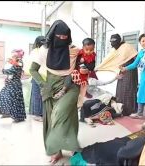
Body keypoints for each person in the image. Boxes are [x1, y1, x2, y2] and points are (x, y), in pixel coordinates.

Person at [29, 20, 81, 164]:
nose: (62, 41)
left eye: (65, 38)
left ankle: (71, 145)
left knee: (66, 116)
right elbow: (33, 70)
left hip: (69, 86)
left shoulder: (72, 50)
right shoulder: (44, 50)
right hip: (50, 87)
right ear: (53, 35)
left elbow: (78, 68)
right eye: (60, 37)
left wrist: (81, 70)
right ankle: (55, 151)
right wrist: (42, 84)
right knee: (51, 120)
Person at [95, 34, 138, 116]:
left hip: (130, 70)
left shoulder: (127, 47)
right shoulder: (114, 49)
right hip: (121, 70)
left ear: (119, 41)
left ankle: (130, 110)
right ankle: (121, 108)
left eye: (114, 43)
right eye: (111, 43)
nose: (112, 45)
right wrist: (99, 67)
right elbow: (107, 60)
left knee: (129, 88)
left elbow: (136, 58)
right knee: (120, 89)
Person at [53, 38, 96, 109]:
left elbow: (92, 66)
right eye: (87, 50)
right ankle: (63, 89)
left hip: (84, 76)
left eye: (91, 50)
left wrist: (87, 70)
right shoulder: (79, 53)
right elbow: (74, 60)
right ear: (83, 48)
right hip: (76, 73)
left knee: (82, 89)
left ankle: (81, 100)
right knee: (71, 74)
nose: (89, 52)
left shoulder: (93, 56)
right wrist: (80, 62)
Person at [0, 49, 26, 123]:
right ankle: (6, 113)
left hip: (14, 85)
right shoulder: (15, 62)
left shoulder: (19, 62)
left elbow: (12, 70)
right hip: (10, 84)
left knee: (14, 101)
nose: (12, 56)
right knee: (2, 98)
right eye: (13, 55)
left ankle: (17, 117)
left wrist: (3, 70)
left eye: (14, 55)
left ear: (18, 55)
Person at [29, 36, 46, 122]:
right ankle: (37, 114)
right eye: (42, 41)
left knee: (39, 96)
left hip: (41, 75)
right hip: (37, 76)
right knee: (37, 96)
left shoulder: (40, 51)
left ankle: (38, 113)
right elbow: (32, 67)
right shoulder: (36, 52)